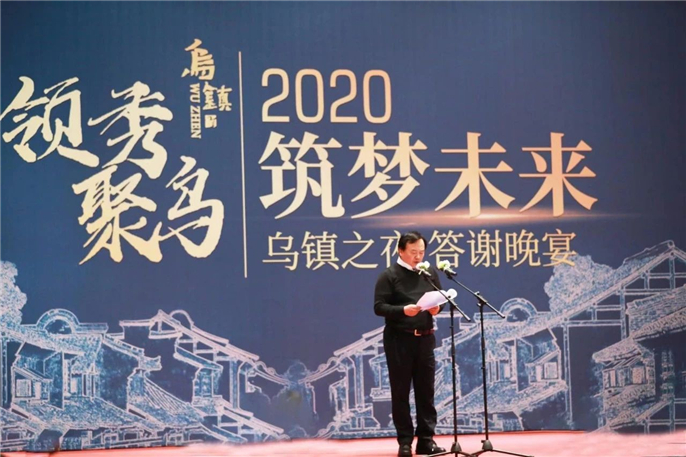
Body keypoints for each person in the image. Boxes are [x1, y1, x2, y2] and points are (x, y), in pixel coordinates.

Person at [374, 231, 446, 457]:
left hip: (425, 338)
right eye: (413, 252)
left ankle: (426, 440)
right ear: (400, 251)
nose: (418, 257)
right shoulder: (389, 275)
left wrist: (437, 308)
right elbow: (379, 307)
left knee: (426, 392)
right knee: (401, 391)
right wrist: (403, 310)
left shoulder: (429, 272)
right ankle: (405, 441)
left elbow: (440, 299)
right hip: (399, 340)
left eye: (421, 252)